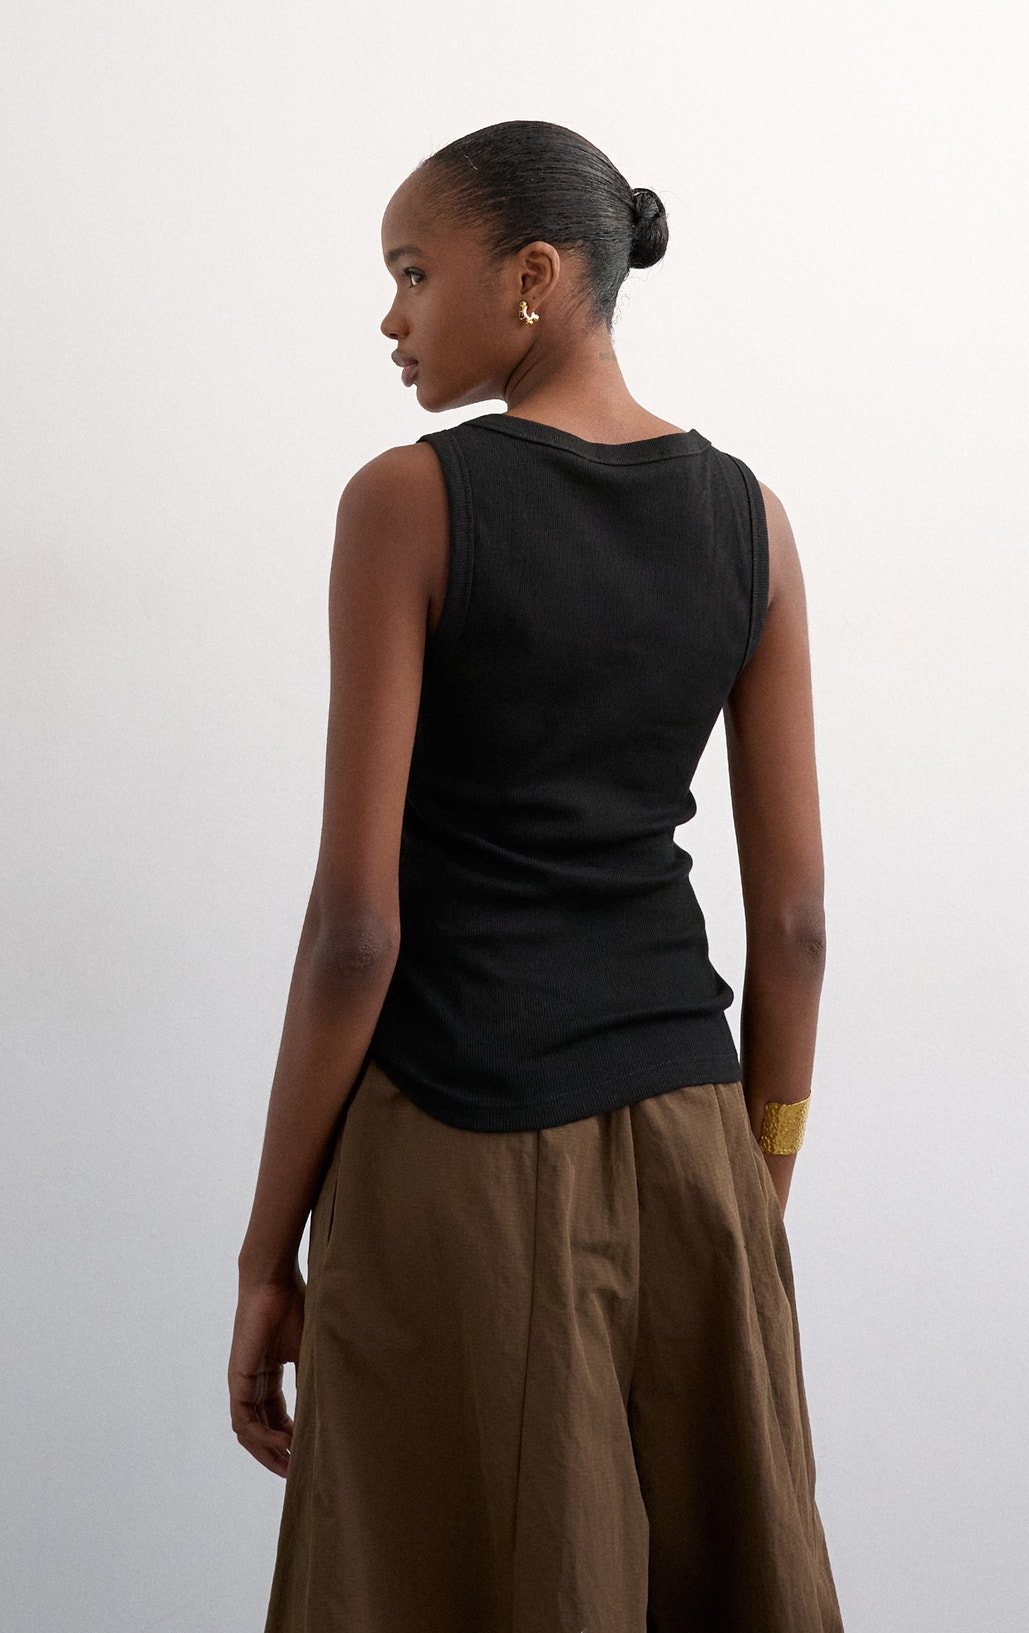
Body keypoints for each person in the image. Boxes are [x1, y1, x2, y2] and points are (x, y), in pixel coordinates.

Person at [228, 118, 842, 1632]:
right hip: (697, 1138)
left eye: (412, 272)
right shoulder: (750, 519)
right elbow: (796, 925)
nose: (391, 318)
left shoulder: (408, 502)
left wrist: (264, 1252)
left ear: (534, 276)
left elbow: (355, 931)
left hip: (460, 1148)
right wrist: (754, 1182)